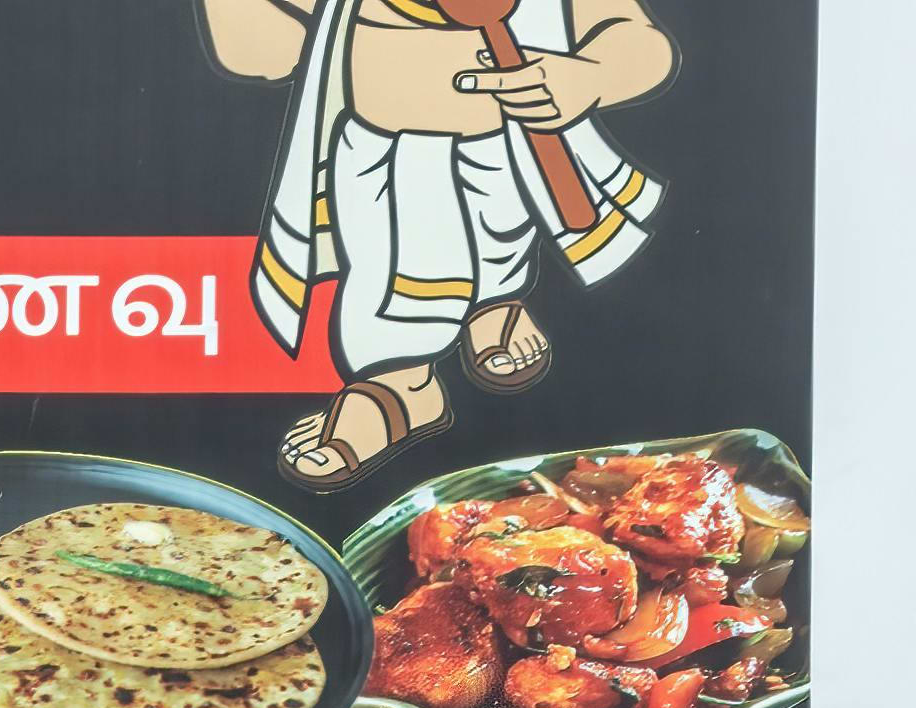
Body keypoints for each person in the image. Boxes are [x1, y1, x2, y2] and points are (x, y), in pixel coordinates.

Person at [206, 0, 677, 487]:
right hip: (380, 155)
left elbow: (639, 39)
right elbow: (262, 54)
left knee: (499, 238)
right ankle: (403, 383)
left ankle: (492, 303)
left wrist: (588, 76)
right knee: (390, 279)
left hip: (510, 146)